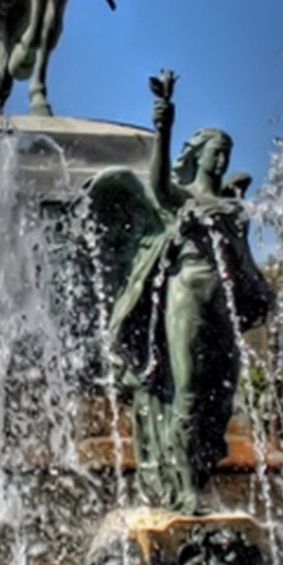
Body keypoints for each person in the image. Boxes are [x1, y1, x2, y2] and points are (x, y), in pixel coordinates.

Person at [89, 71, 273, 511]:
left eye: (226, 153)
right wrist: (164, 126)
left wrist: (262, 294)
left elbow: (243, 262)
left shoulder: (231, 209)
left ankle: (201, 469)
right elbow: (156, 186)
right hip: (187, 290)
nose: (221, 159)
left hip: (221, 300)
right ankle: (184, 485)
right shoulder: (183, 198)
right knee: (187, 387)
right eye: (215, 151)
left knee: (222, 390)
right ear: (198, 154)